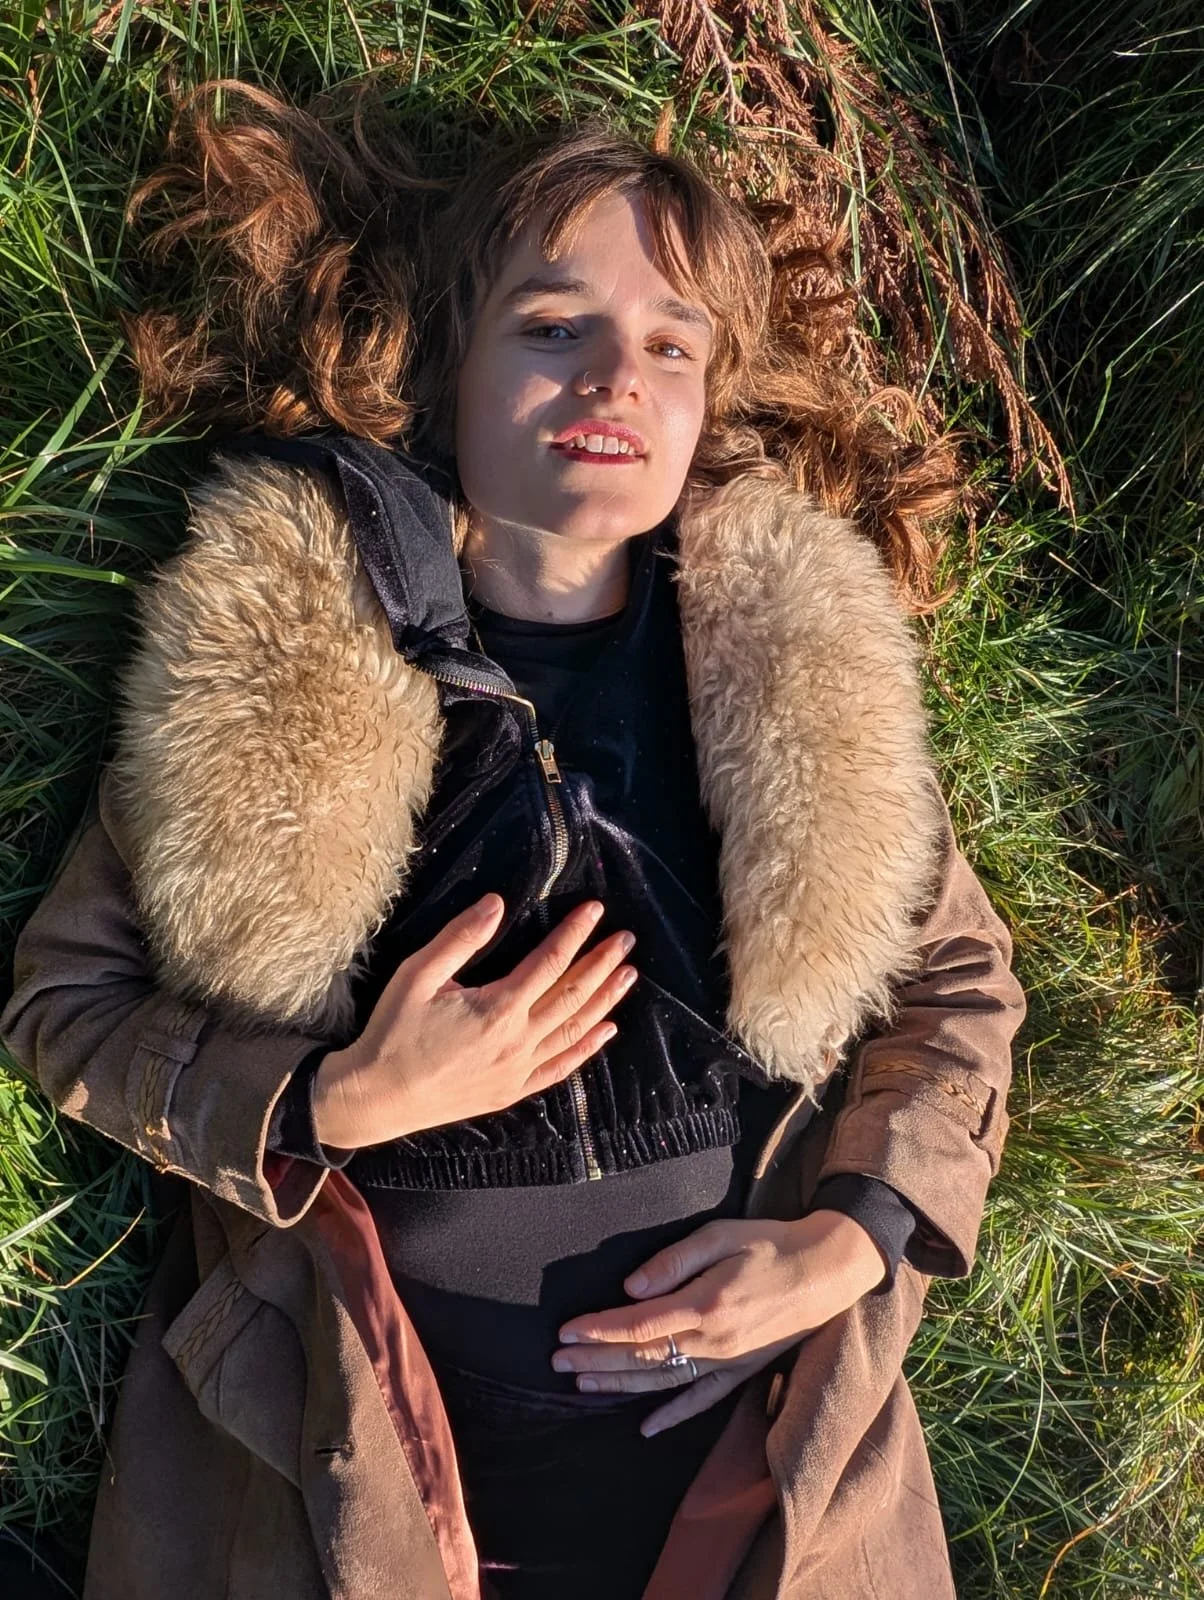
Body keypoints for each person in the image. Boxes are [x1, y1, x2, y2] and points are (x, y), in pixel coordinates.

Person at [0, 86, 1026, 1600]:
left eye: (671, 345)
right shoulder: (272, 659)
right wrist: (333, 1100)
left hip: (757, 1473)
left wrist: (854, 1240)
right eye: (554, 326)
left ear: (708, 400)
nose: (616, 375)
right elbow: (62, 1005)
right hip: (338, 1457)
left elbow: (959, 987)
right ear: (444, 363)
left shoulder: (795, 672)